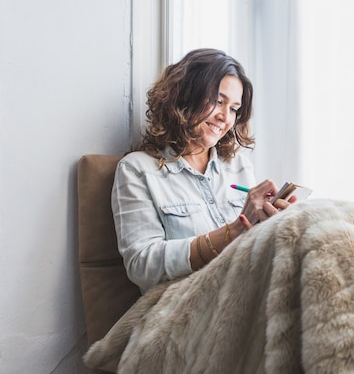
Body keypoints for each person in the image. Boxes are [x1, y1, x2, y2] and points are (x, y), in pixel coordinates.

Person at [112, 48, 293, 292]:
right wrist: (235, 230)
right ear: (186, 96)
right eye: (219, 101)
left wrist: (273, 222)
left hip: (245, 291)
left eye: (234, 108)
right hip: (185, 306)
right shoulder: (137, 170)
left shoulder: (238, 165)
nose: (225, 118)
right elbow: (142, 264)